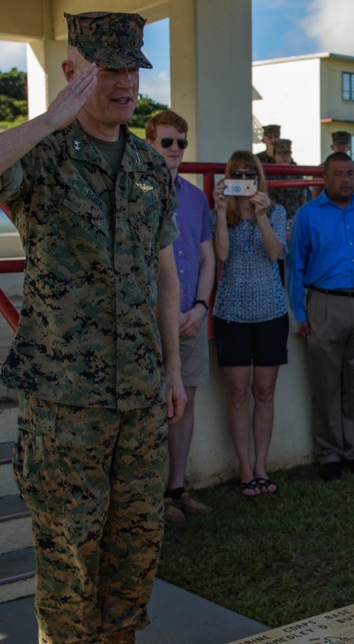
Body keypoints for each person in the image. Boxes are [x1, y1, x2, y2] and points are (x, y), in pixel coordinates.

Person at [0, 11, 187, 643]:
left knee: (134, 563)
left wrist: (173, 373)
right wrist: (47, 120)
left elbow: (164, 276)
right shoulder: (42, 155)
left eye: (132, 68)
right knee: (71, 564)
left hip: (138, 396)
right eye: (109, 68)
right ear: (75, 73)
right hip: (64, 402)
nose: (125, 83)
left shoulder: (150, 168)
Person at [287, 152, 354, 481]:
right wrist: (300, 313)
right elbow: (295, 268)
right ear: (325, 177)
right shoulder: (307, 215)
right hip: (324, 304)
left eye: (350, 173)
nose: (346, 179)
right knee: (326, 382)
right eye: (338, 174)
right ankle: (329, 454)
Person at [145, 109, 215, 523]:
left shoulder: (195, 197)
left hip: (190, 318)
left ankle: (176, 490)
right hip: (148, 323)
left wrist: (201, 308)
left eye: (182, 143)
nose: (175, 150)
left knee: (184, 407)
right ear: (150, 143)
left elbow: (207, 257)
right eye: (167, 142)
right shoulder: (135, 193)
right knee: (148, 410)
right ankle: (147, 500)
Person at [212, 150, 289, 498]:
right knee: (239, 394)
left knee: (265, 393)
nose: (243, 179)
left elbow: (275, 254)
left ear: (258, 178)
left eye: (249, 173)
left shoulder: (275, 211)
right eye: (236, 174)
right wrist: (219, 211)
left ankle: (261, 465)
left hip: (271, 313)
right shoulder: (224, 215)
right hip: (232, 315)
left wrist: (259, 216)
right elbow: (222, 255)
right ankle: (245, 469)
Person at [267, 138, 306, 227]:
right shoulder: (268, 174)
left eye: (287, 154)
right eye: (281, 154)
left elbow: (302, 199)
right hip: (273, 218)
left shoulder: (297, 174)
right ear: (274, 155)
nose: (285, 157)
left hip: (294, 218)